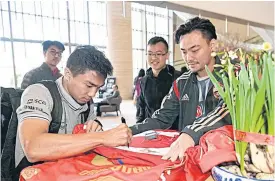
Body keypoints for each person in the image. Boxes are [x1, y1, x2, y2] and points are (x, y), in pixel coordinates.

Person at [15, 45, 132, 177]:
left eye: (98, 88)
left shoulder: (88, 103)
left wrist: (101, 126)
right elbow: (33, 148)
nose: (93, 94)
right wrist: (101, 137)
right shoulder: (39, 92)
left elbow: (103, 129)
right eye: (89, 85)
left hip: (68, 171)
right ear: (68, 74)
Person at [130, 17, 231, 162]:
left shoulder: (233, 77)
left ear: (212, 45)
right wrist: (130, 130)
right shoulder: (181, 83)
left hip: (222, 159)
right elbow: (162, 118)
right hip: (188, 157)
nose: (189, 58)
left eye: (195, 50)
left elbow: (225, 111)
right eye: (184, 51)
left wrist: (191, 133)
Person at [136, 36, 181, 124]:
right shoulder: (143, 81)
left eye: (158, 54)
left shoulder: (178, 78)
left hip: (174, 132)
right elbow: (141, 110)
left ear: (167, 55)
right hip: (151, 131)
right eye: (150, 54)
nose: (153, 58)